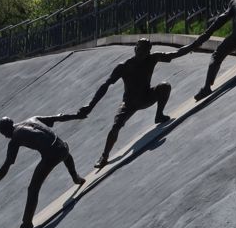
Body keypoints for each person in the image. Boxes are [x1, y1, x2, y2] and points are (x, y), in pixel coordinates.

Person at [77, 38, 181, 169]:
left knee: (165, 86)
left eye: (144, 51)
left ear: (148, 52)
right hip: (129, 103)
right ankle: (104, 156)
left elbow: (176, 53)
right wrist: (90, 105)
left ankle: (159, 115)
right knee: (116, 127)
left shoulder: (153, 58)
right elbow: (106, 85)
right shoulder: (124, 66)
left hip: (146, 97)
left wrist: (198, 42)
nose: (141, 54)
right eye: (139, 50)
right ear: (135, 49)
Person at [0, 114, 87, 228]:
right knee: (63, 152)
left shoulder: (15, 138)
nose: (5, 136)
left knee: (33, 189)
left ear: (7, 129)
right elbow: (57, 117)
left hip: (52, 156)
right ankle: (76, 177)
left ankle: (26, 223)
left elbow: (7, 165)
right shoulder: (32, 119)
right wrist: (77, 115)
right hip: (64, 148)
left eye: (3, 133)